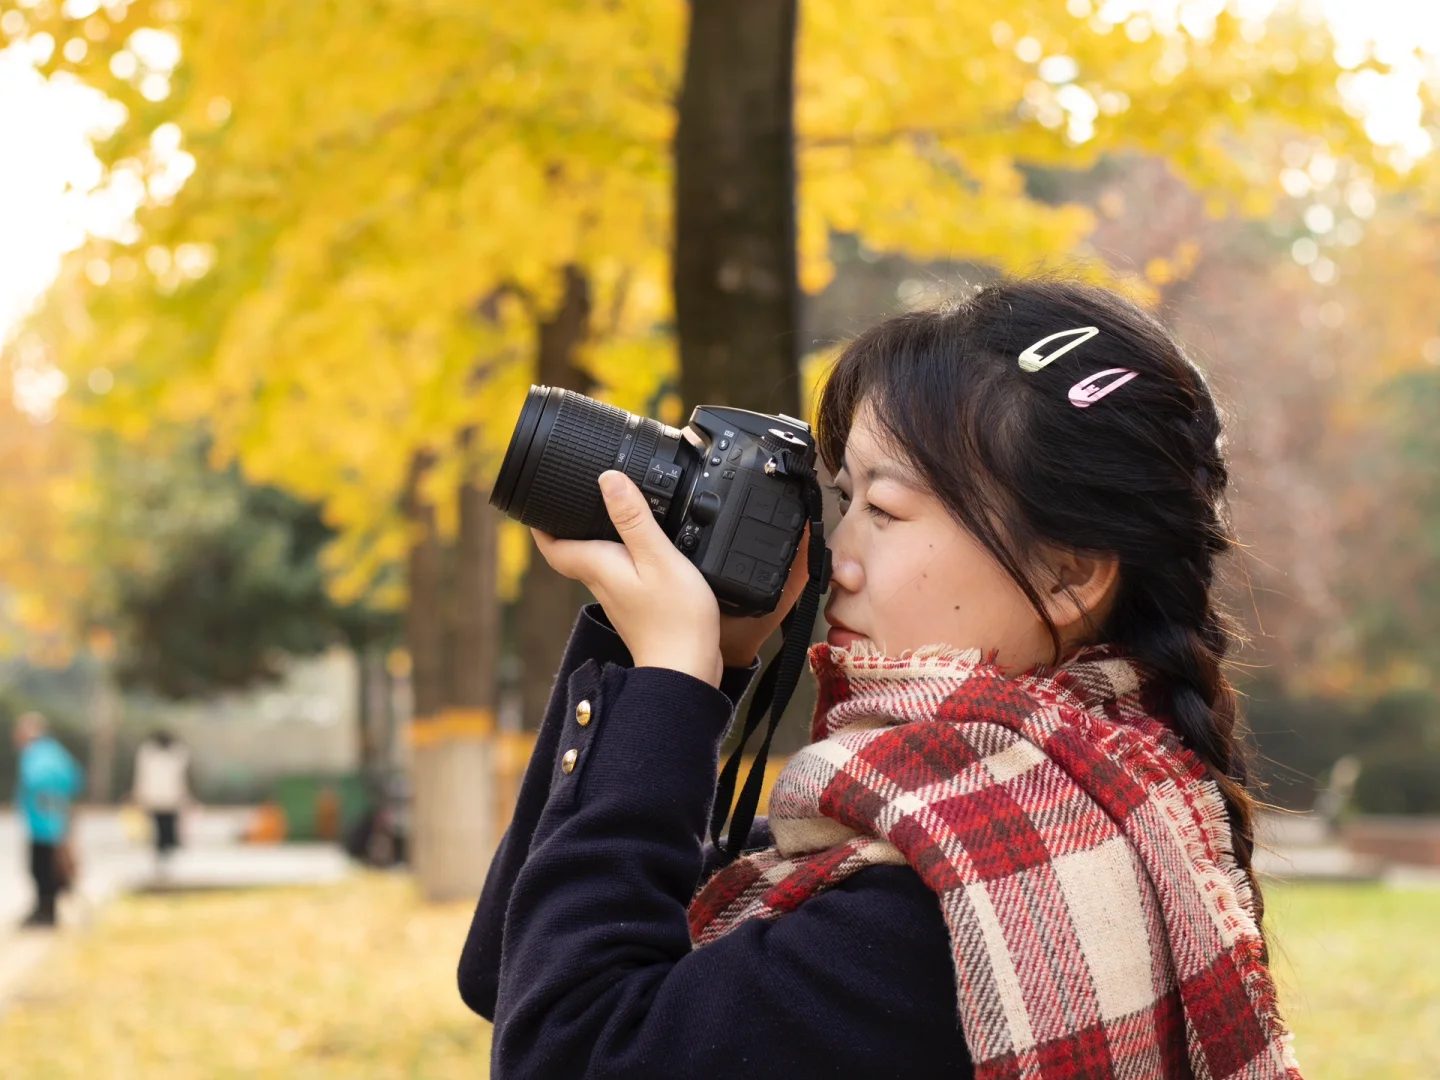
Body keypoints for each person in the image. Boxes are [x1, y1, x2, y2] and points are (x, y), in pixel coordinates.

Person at [458, 280, 1302, 1078]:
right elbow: (512, 965)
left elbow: (564, 1050)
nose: (836, 560)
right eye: (841, 497)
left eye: (887, 511)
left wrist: (670, 685)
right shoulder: (1005, 820)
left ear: (1070, 575)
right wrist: (661, 640)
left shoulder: (952, 907)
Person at [13, 712, 83, 929]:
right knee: (46, 868)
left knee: (42, 869)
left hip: (43, 824)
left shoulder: (38, 753)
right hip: (52, 821)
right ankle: (44, 909)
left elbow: (35, 781)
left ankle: (46, 912)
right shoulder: (55, 752)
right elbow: (75, 779)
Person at [130, 729, 191, 876]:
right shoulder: (150, 753)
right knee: (162, 828)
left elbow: (181, 777)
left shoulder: (175, 753)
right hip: (163, 798)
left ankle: (165, 858)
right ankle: (163, 858)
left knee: (165, 828)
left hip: (164, 797)